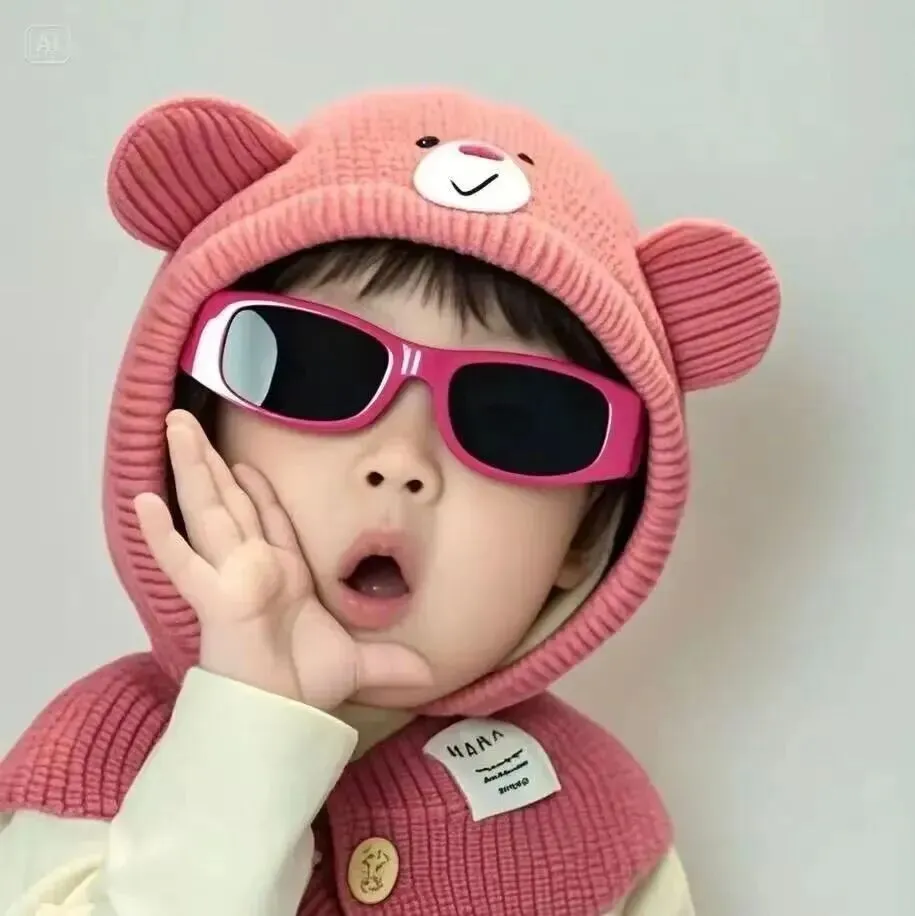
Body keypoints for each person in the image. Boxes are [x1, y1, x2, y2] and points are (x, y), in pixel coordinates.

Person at [0, 87, 780, 915]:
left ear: (585, 538)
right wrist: (247, 727)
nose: (401, 462)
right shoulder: (97, 757)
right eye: (317, 369)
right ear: (189, 431)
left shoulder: (601, 824)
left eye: (516, 419)